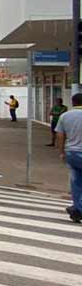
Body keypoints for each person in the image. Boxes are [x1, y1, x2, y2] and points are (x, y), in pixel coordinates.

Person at [55, 93, 82, 223]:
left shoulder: (65, 116)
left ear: (72, 102)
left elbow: (60, 136)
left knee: (76, 181)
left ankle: (77, 207)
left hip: (71, 152)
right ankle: (79, 209)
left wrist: (61, 152)